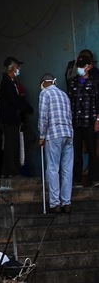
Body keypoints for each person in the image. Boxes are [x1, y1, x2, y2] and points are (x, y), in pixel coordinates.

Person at [38, 73, 74, 214]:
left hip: (54, 134)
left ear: (43, 83)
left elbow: (43, 117)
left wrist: (41, 136)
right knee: (67, 169)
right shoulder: (64, 95)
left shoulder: (45, 94)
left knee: (53, 168)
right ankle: (67, 202)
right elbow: (69, 115)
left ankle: (55, 203)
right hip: (68, 134)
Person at [0, 57, 33, 177]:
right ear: (12, 69)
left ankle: (8, 170)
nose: (19, 69)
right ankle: (11, 170)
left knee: (12, 144)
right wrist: (27, 108)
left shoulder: (11, 82)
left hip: (12, 119)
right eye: (18, 67)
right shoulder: (7, 83)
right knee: (11, 145)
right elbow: (14, 100)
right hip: (9, 119)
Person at [67, 55, 99, 188]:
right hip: (75, 123)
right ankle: (77, 180)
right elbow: (69, 103)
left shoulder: (94, 82)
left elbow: (98, 103)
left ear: (88, 67)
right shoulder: (72, 82)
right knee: (76, 152)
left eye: (82, 66)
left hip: (90, 122)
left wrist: (98, 120)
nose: (80, 69)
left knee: (93, 151)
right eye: (78, 66)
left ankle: (94, 179)